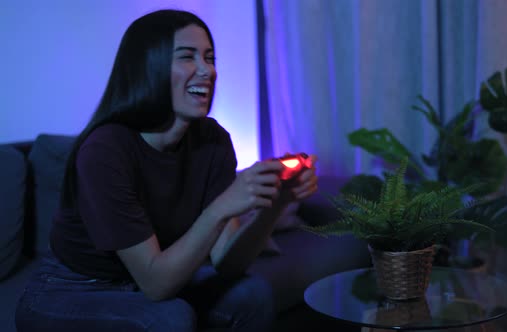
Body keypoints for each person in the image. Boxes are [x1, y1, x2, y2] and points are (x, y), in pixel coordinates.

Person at [14, 9, 318, 332]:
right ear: (150, 66)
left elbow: (227, 264)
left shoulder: (214, 141)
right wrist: (221, 208)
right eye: (188, 57)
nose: (207, 70)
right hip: (71, 289)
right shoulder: (105, 149)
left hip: (143, 283)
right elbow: (156, 284)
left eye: (210, 58)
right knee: (170, 318)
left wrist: (275, 205)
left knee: (253, 295)